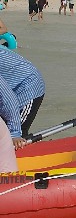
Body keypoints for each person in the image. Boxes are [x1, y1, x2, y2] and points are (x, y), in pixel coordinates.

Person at [0, 18, 45, 149]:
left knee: (12, 138)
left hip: (28, 86)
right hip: (12, 85)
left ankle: (23, 146)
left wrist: (14, 134)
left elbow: (9, 99)